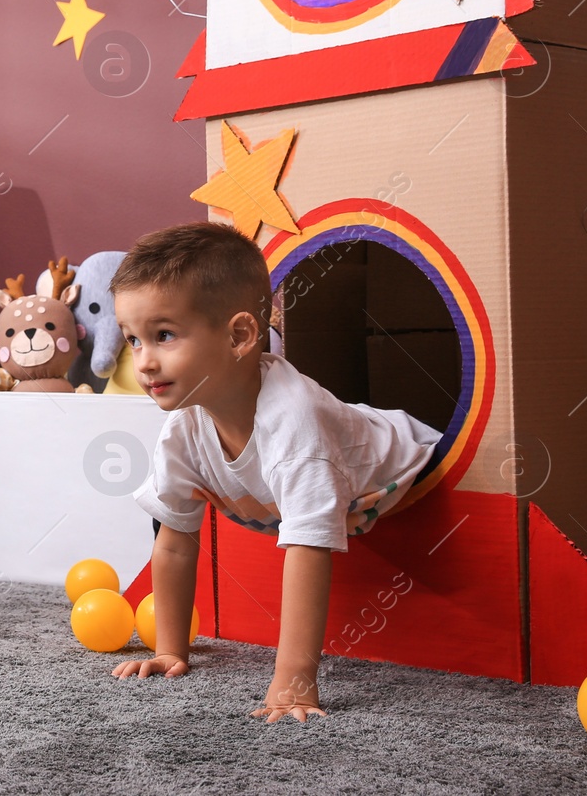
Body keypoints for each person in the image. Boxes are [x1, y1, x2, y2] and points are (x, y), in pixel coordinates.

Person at [108, 222, 439, 722]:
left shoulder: (293, 424)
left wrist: (294, 686)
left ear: (239, 335)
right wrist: (172, 649)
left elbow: (309, 549)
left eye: (164, 335)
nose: (144, 362)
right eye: (133, 340)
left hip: (411, 456)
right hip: (327, 473)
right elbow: (175, 539)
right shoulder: (185, 427)